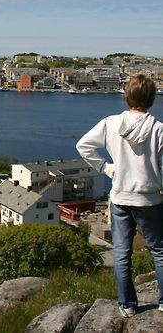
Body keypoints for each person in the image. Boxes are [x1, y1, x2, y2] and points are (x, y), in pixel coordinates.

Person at [76, 74, 163, 318]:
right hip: (150, 199)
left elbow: (83, 146)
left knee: (122, 253)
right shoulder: (158, 129)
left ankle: (127, 304)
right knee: (159, 251)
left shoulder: (111, 123)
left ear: (127, 96)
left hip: (121, 197)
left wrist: (106, 168)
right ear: (152, 99)